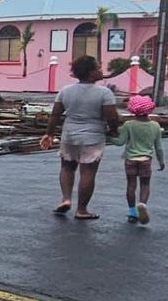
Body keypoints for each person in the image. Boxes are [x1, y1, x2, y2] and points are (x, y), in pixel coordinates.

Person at [40, 56, 121, 220]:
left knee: (67, 167)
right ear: (91, 72)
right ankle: (82, 210)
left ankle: (66, 199)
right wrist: (114, 131)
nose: (100, 70)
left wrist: (48, 134)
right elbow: (112, 117)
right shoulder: (104, 93)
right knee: (88, 172)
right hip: (93, 137)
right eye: (98, 68)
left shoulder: (65, 91)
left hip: (69, 135)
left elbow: (55, 115)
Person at [108, 95, 165, 224]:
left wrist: (108, 137)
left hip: (130, 159)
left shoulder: (129, 125)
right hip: (146, 159)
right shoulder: (155, 126)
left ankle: (132, 212)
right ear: (150, 109)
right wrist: (161, 161)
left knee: (131, 185)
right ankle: (142, 204)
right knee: (145, 184)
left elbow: (120, 142)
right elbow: (159, 147)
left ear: (132, 110)